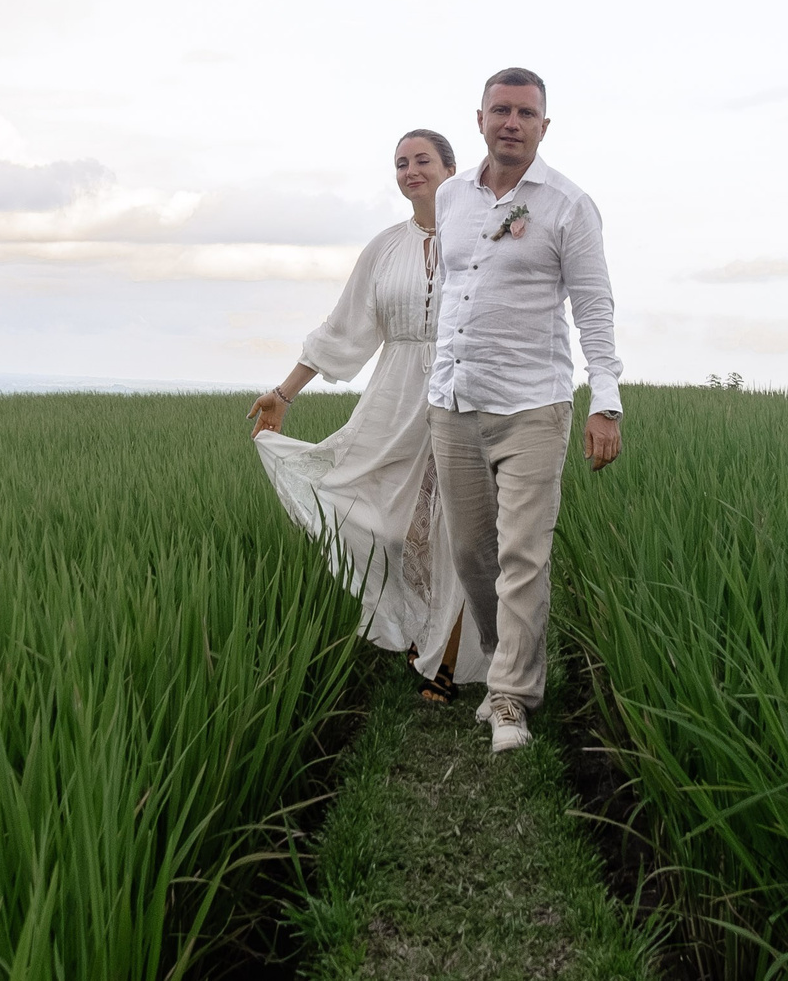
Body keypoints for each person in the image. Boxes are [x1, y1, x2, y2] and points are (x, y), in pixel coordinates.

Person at [250, 130, 488, 694]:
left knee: (459, 530)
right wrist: (284, 394)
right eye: (401, 163)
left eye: (422, 160)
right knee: (389, 525)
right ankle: (414, 629)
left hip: (467, 391)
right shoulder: (384, 248)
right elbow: (344, 328)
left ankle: (446, 664)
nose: (410, 171)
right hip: (396, 396)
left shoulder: (485, 236)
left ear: (451, 168)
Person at [428, 68, 623, 754]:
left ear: (545, 126)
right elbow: (451, 290)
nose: (512, 122)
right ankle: (498, 655)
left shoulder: (569, 205)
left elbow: (594, 307)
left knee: (523, 554)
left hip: (533, 404)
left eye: (526, 113)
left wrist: (607, 402)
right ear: (479, 118)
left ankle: (510, 694)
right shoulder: (452, 197)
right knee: (472, 551)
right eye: (500, 110)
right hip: (452, 401)